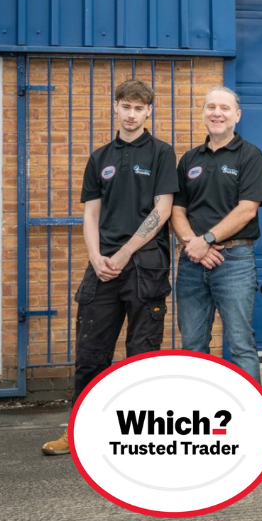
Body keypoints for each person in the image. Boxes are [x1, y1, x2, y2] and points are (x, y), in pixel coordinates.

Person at [42, 80, 178, 455]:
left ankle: (140, 438)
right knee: (90, 354)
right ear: (115, 107)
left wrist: (125, 253)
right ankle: (79, 432)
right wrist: (95, 257)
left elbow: (163, 209)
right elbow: (91, 214)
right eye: (126, 106)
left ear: (149, 111)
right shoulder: (100, 157)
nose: (132, 114)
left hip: (145, 266)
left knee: (142, 356)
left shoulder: (161, 153)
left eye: (139, 108)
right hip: (102, 267)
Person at [172, 86, 262, 382]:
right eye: (211, 107)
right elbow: (176, 210)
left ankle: (250, 410)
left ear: (237, 115)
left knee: (240, 344)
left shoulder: (250, 156)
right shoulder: (189, 159)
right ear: (203, 113)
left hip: (234, 260)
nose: (217, 113)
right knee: (192, 345)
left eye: (224, 108)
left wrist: (206, 240)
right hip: (192, 262)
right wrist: (194, 246)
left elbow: (247, 210)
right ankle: (199, 406)